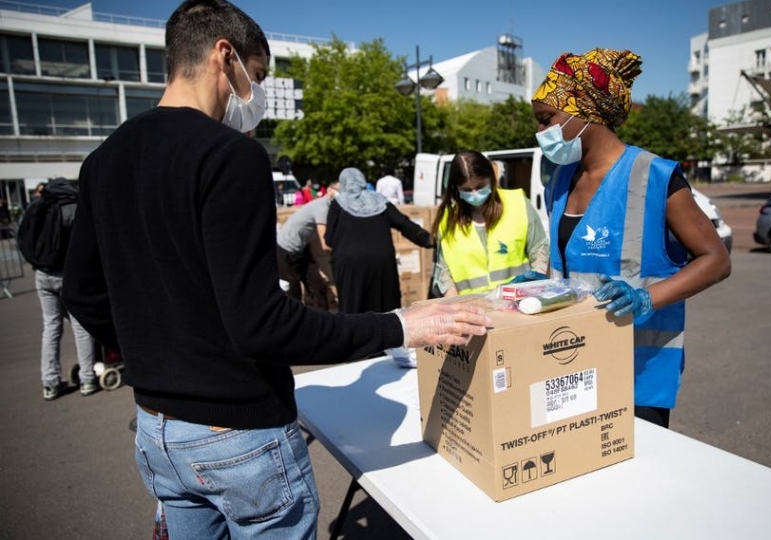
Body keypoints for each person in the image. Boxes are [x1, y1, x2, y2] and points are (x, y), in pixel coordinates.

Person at [61, 2, 490, 539]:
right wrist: (404, 324)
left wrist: (157, 355)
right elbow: (263, 324)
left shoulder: (104, 160)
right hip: (238, 432)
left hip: (156, 428)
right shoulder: (229, 156)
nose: (255, 95)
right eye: (257, 76)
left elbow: (83, 291)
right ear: (225, 55)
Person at [532, 48, 731, 429]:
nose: (541, 133)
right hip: (570, 366)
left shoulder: (654, 176)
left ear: (584, 111)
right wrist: (540, 285)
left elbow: (716, 260)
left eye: (547, 120)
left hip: (638, 377)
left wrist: (646, 298)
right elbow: (571, 264)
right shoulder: (559, 181)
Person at [431, 150, 549, 296]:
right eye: (466, 190)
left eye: (480, 186)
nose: (474, 194)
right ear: (456, 189)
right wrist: (454, 305)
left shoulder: (518, 204)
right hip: (473, 310)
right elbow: (444, 273)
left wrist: (535, 290)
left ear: (491, 179)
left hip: (518, 304)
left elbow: (539, 251)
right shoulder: (448, 219)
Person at [24, 178, 98, 399]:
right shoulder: (73, 208)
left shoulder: (36, 206)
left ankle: (50, 382)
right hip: (68, 274)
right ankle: (87, 378)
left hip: (42, 274)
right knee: (81, 327)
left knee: (51, 327)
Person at [325, 167, 433, 314]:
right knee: (384, 308)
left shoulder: (338, 203)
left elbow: (329, 238)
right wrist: (430, 240)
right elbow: (403, 223)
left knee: (353, 310)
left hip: (350, 265)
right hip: (381, 263)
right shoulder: (380, 201)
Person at [277, 181, 339, 309]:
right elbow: (325, 243)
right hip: (285, 251)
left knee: (317, 286)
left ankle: (320, 320)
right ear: (329, 190)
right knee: (293, 294)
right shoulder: (323, 207)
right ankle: (297, 325)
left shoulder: (331, 208)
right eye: (339, 190)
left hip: (302, 250)